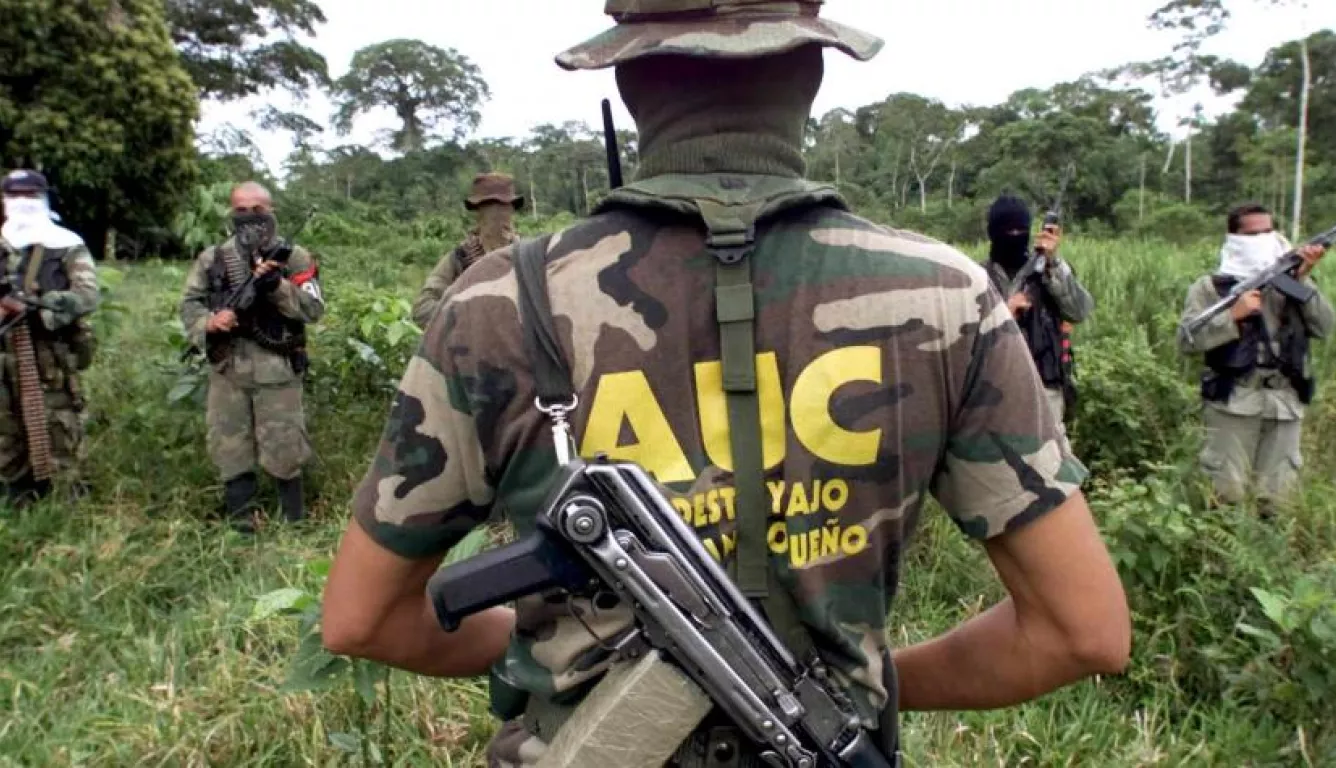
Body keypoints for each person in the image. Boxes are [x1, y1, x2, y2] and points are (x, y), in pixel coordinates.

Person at [321, 3, 1131, 766]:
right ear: (813, 68)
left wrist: (564, 663)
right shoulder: (945, 295)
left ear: (628, 78)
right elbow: (1081, 631)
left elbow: (362, 619)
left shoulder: (503, 301)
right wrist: (860, 689)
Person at [179, 182, 324, 532]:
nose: (249, 218)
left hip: (278, 368)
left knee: (285, 445)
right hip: (227, 367)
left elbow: (313, 309)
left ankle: (293, 524)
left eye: (257, 210)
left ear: (271, 210)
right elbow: (189, 304)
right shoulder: (213, 258)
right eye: (240, 210)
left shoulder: (294, 257)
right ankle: (241, 523)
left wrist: (276, 286)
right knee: (229, 445)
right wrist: (209, 323)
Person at [1178, 203, 1333, 510]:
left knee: (1277, 497)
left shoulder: (1292, 282)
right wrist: (1231, 316)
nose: (1263, 240)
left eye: (1268, 232)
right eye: (1253, 234)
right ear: (1234, 238)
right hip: (1234, 400)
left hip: (1284, 403)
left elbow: (1325, 327)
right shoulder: (1210, 288)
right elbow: (1186, 340)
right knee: (1226, 494)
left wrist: (1302, 281)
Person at [0, 169, 100, 506]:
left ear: (43, 199)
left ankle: (68, 499)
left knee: (58, 423)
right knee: (6, 429)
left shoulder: (65, 244)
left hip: (49, 353)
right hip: (3, 352)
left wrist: (40, 306)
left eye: (30, 195)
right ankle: (18, 497)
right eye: (15, 196)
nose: (22, 203)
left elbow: (87, 295)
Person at [981, 195, 1094, 450]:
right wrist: (1004, 313)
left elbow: (1079, 311)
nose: (1014, 236)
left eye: (1020, 230)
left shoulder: (1047, 270)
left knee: (1053, 465)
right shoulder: (978, 277)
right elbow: (965, 340)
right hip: (994, 393)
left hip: (1045, 388)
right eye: (1007, 230)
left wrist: (1052, 263)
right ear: (993, 233)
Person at [411, 173, 523, 330]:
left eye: (504, 207)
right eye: (491, 208)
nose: (499, 215)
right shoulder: (460, 258)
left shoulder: (526, 256)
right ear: (479, 214)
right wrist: (467, 316)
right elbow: (422, 308)